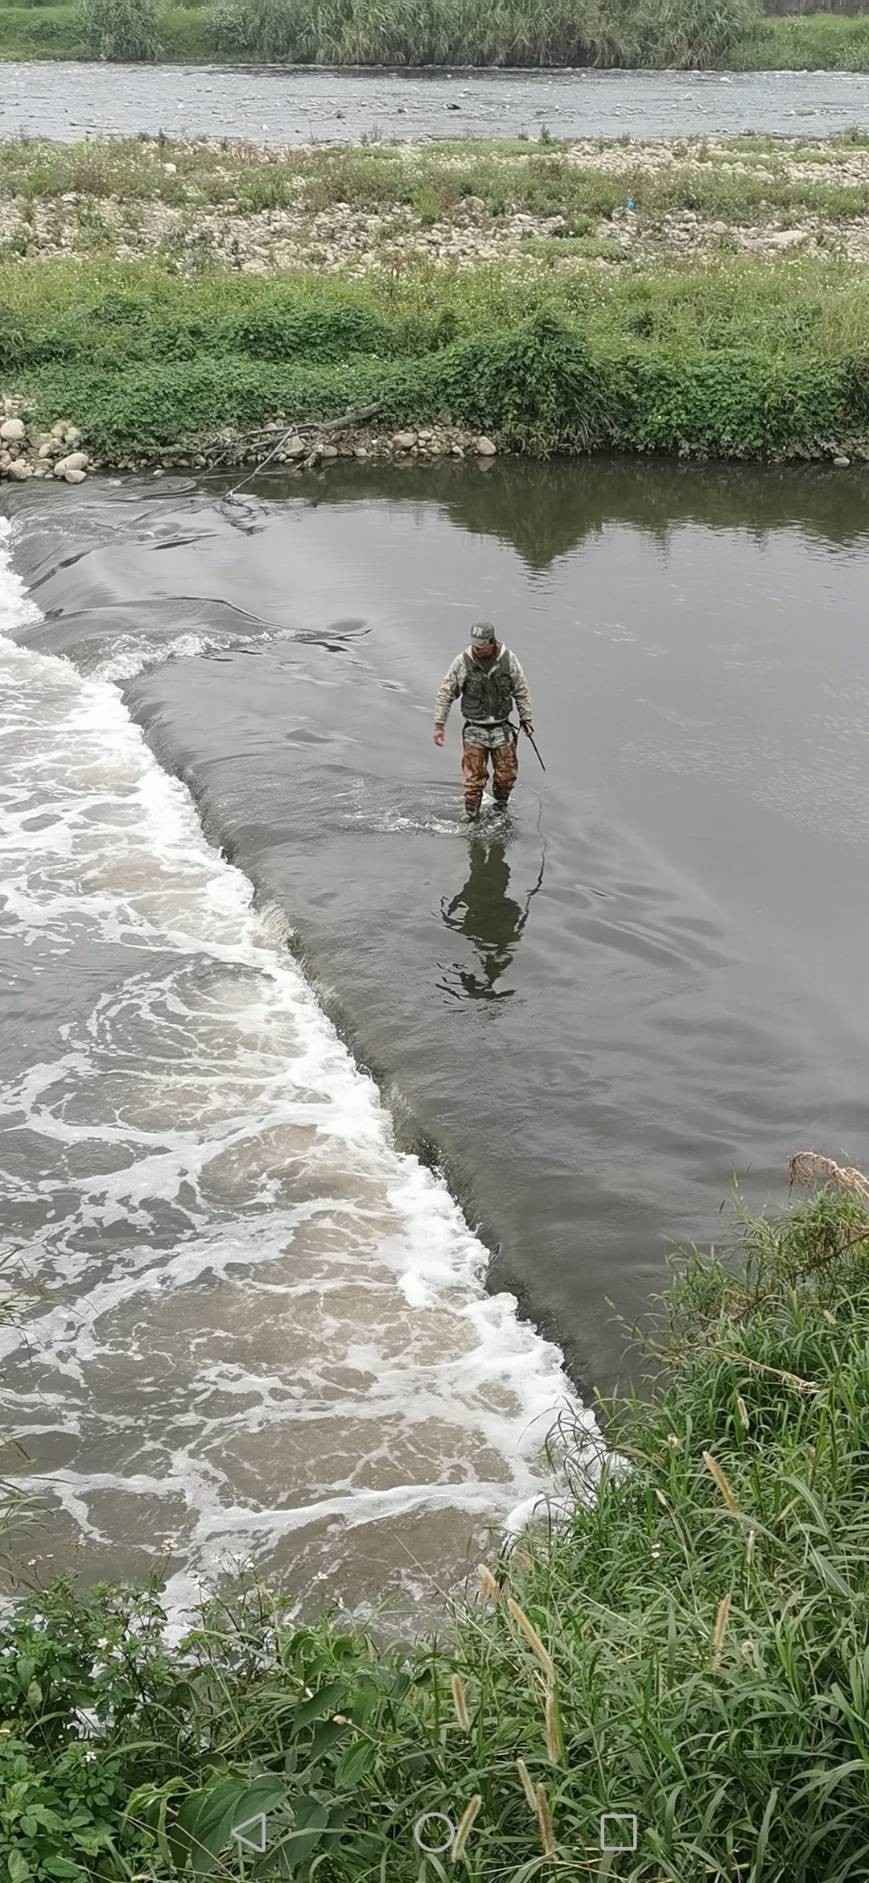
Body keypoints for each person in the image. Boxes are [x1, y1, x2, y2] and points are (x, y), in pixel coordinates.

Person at [432, 621, 534, 820]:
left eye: (480, 645)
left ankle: (500, 808)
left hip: (502, 729)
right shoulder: (462, 662)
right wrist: (439, 725)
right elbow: (445, 694)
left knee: (507, 777)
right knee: (473, 781)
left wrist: (526, 718)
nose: (476, 649)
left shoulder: (508, 660)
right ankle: (471, 816)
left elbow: (521, 690)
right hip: (474, 730)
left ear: (491, 641)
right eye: (473, 644)